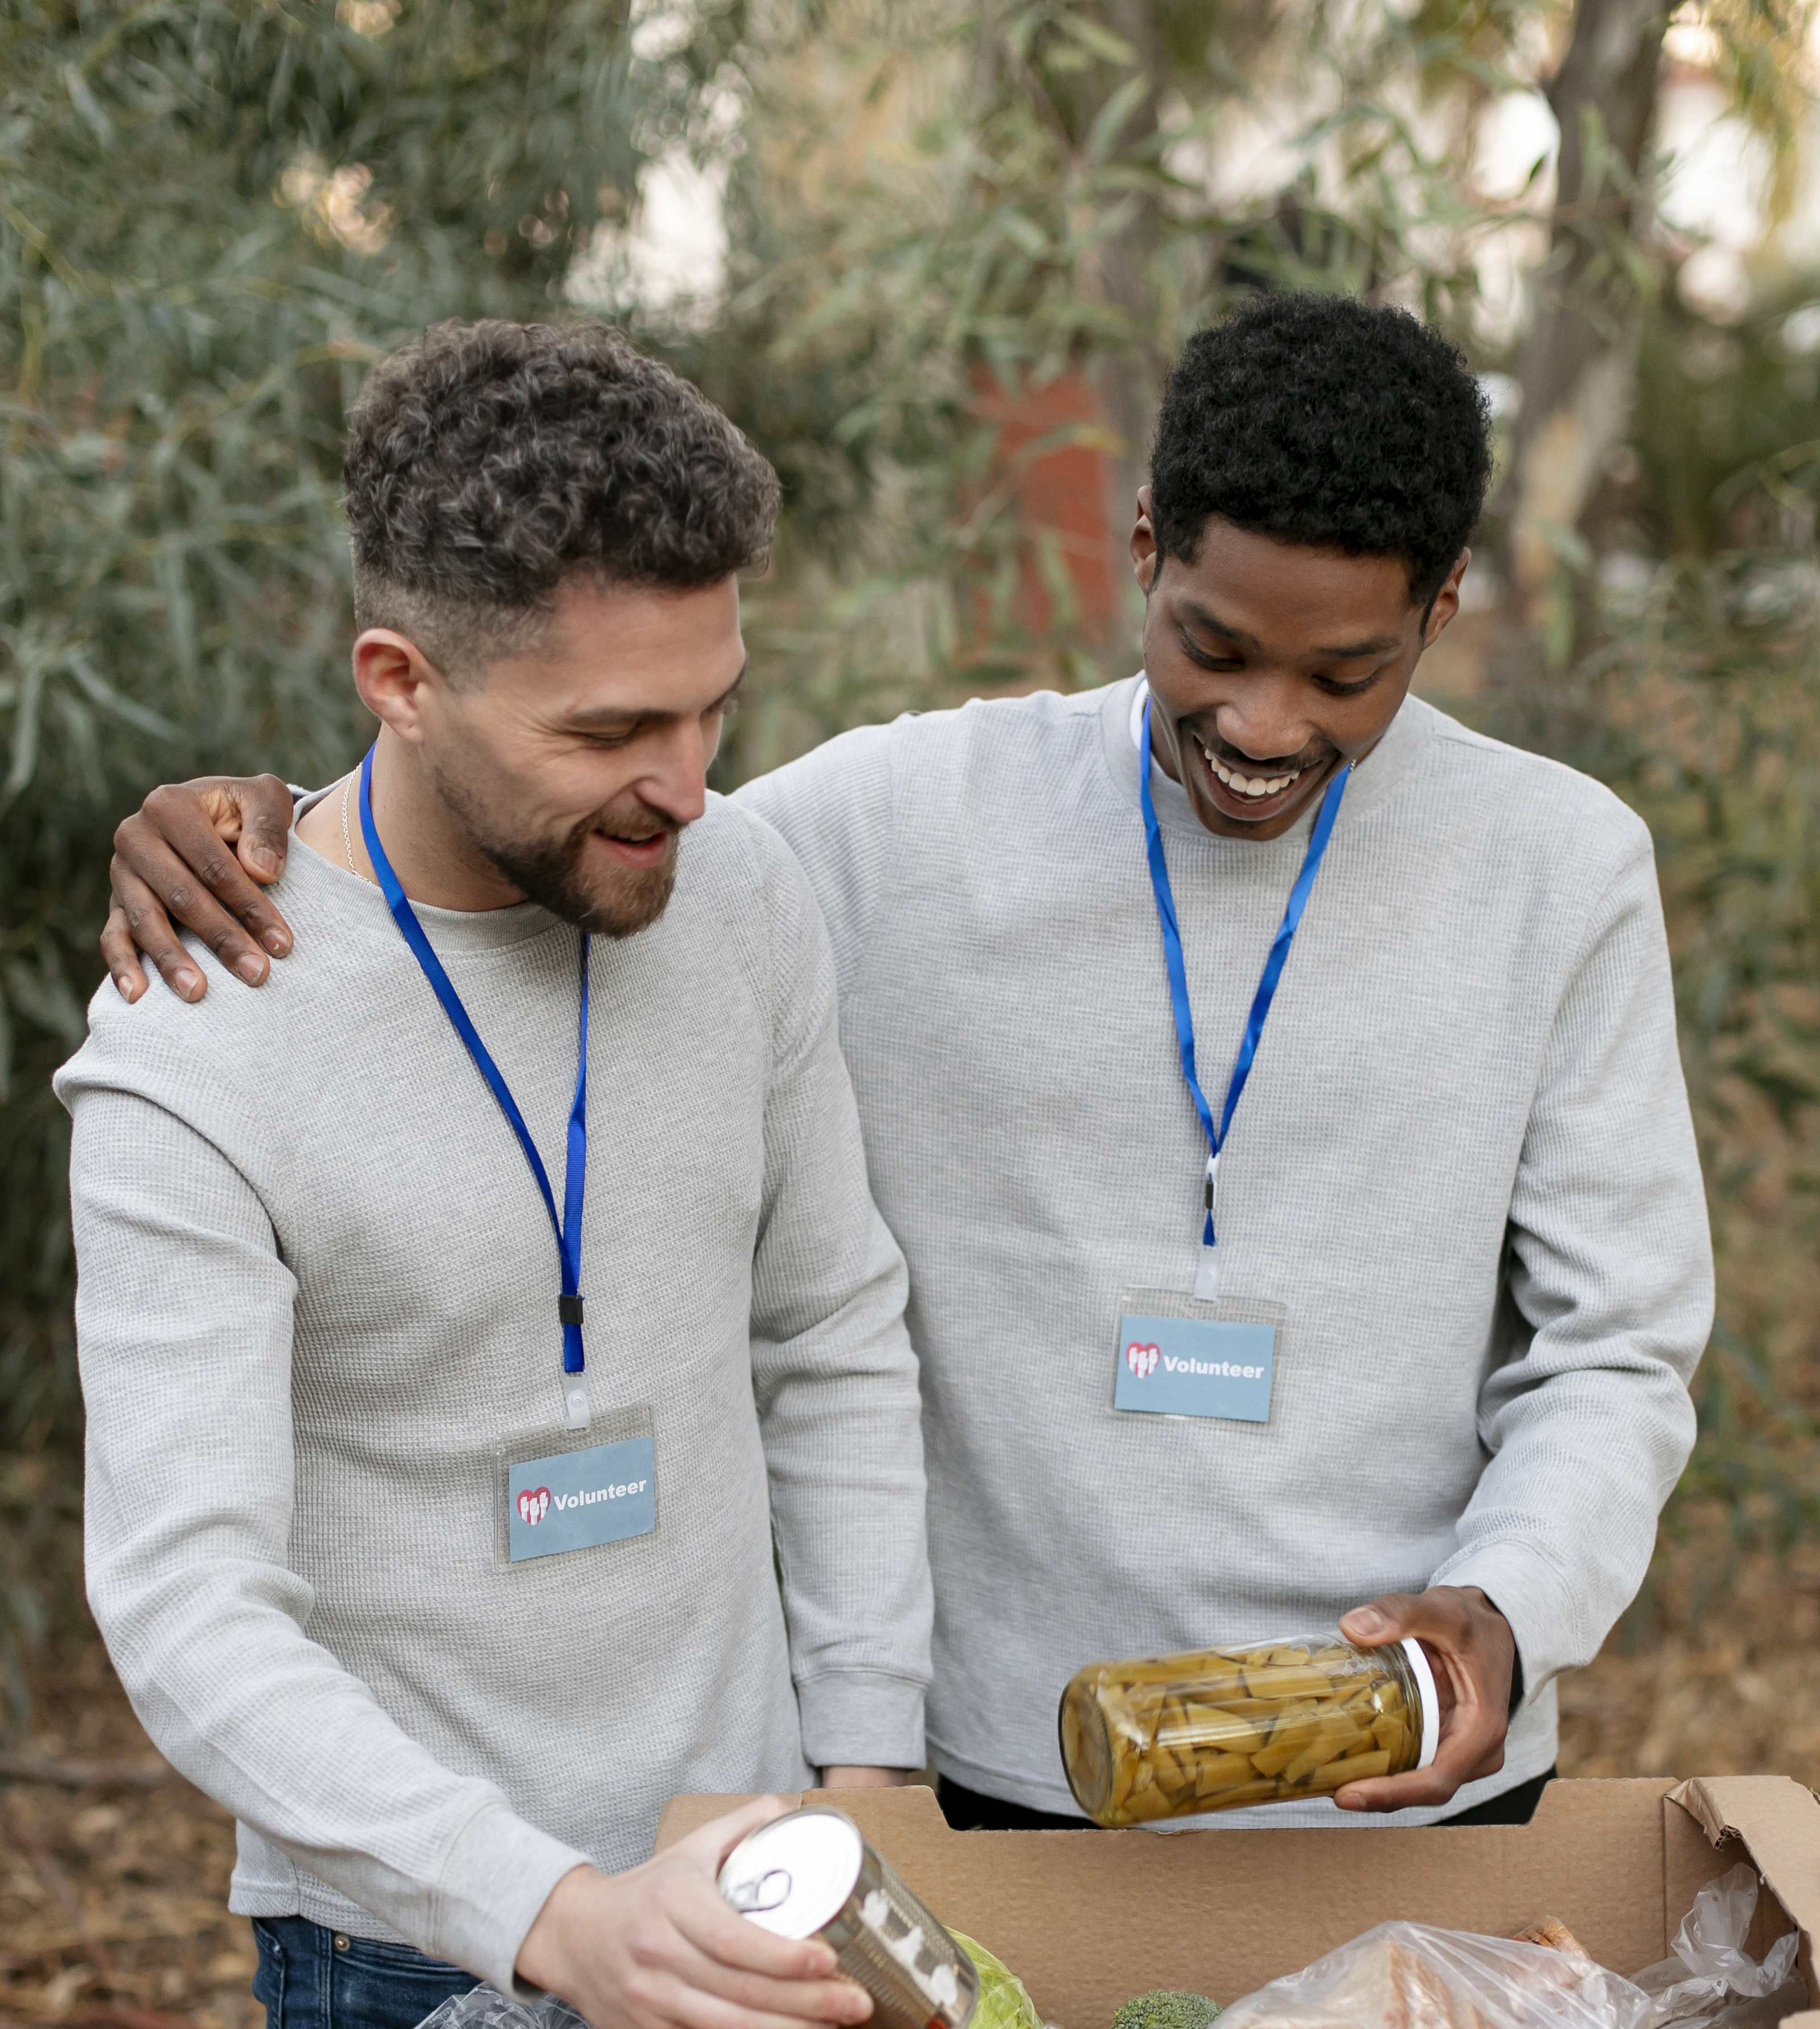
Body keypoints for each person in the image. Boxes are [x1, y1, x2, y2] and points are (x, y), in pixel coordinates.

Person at [99, 292, 1713, 1839]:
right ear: (1143, 548)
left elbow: (1619, 1344)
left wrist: (1511, 1607)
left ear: (1439, 611)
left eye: (1344, 676)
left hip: (1410, 1759)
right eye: (1214, 646)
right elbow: (553, 807)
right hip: (1002, 1769)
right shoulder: (897, 824)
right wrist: (261, 825)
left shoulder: (1559, 869)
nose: (1266, 723)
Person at [59, 319, 933, 2029]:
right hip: (410, 1942)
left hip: (760, 1848)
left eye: (714, 707)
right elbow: (190, 1610)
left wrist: (866, 1771)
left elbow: (833, 1331)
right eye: (612, 730)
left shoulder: (746, 895)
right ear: (402, 678)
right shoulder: (196, 1036)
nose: (690, 784)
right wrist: (555, 1912)